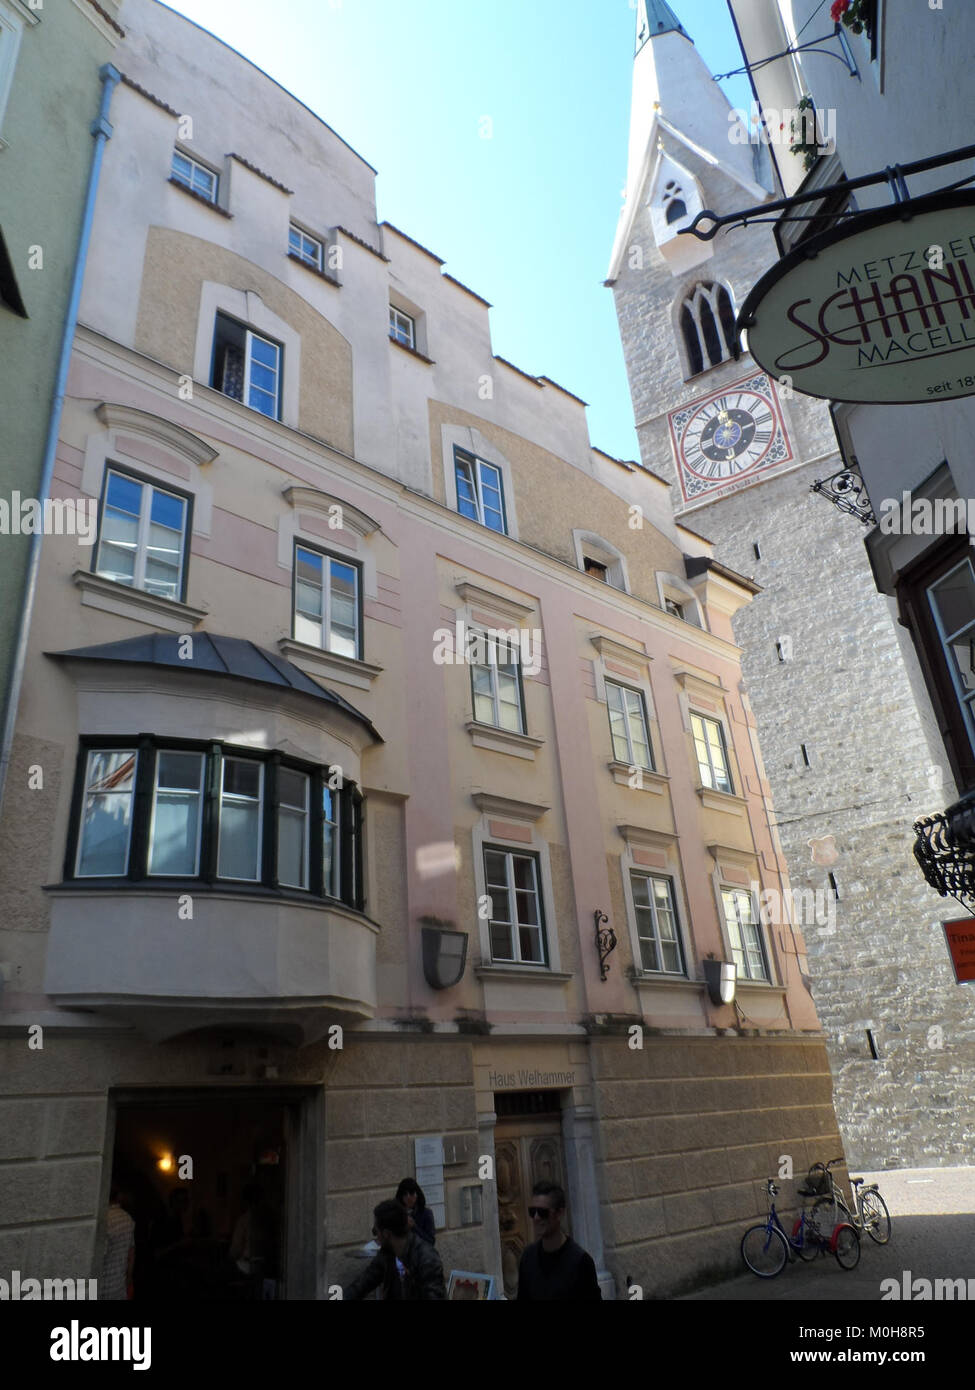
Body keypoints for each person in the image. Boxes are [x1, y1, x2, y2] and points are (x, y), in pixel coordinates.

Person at [343, 1199, 445, 1300]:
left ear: (386, 1234)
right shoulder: (387, 1254)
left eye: (376, 1231)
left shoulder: (426, 1257)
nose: (376, 1236)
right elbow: (361, 1285)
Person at [516, 1181, 602, 1300]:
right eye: (532, 1212)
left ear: (560, 1213)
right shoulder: (527, 1257)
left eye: (542, 1212)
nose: (536, 1218)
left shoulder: (581, 1262)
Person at [99, 1184, 135, 1301]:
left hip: (101, 1287)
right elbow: (131, 1252)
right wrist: (128, 1278)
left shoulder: (102, 1219)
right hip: (118, 1287)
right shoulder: (127, 1218)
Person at [394, 1177, 436, 1246]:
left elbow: (431, 1242)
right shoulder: (396, 1213)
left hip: (420, 1255)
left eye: (411, 1193)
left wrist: (414, 1227)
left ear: (417, 1194)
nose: (408, 1197)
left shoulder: (426, 1213)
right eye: (405, 1194)